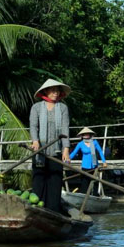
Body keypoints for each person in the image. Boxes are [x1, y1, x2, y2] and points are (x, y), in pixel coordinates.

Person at [29, 78, 71, 213]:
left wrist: (66, 150)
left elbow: (65, 130)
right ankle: (37, 210)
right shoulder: (36, 107)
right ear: (46, 91)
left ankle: (53, 211)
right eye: (53, 91)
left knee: (55, 181)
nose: (56, 93)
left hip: (57, 150)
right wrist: (35, 141)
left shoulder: (63, 108)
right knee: (39, 180)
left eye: (58, 91)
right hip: (40, 151)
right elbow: (33, 126)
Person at [69, 127, 107, 196]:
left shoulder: (94, 142)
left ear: (90, 135)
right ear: (82, 135)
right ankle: (84, 197)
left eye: (87, 134)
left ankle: (96, 197)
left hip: (94, 166)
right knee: (84, 184)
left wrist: (104, 162)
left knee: (95, 183)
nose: (86, 135)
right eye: (84, 134)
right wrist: (67, 160)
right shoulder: (80, 144)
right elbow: (73, 153)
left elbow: (100, 152)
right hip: (85, 166)